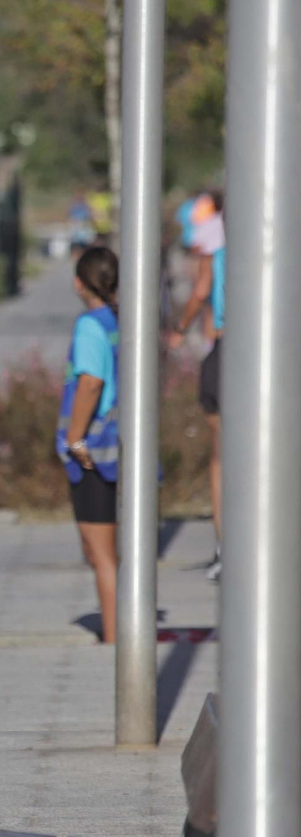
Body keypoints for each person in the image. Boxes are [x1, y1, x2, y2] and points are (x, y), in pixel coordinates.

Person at [58, 247, 122, 644]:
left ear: (79, 283)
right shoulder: (123, 319)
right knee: (112, 550)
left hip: (96, 449)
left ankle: (115, 639)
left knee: (101, 554)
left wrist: (74, 437)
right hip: (123, 443)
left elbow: (91, 382)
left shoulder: (90, 325)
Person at [167, 189, 225, 581]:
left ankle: (224, 547)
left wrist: (180, 327)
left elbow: (202, 290)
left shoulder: (215, 249)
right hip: (270, 354)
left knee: (221, 455)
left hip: (225, 348)